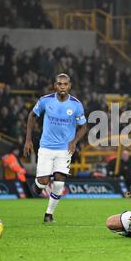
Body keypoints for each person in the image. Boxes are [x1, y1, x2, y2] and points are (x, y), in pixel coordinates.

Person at [24, 73, 87, 222]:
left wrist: (74, 141)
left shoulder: (76, 104)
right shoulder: (45, 101)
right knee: (43, 182)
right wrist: (28, 139)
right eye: (59, 84)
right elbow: (32, 116)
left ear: (69, 86)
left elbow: (84, 126)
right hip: (46, 147)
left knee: (59, 182)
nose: (62, 87)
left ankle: (49, 214)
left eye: (65, 84)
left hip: (64, 150)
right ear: (55, 85)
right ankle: (38, 185)